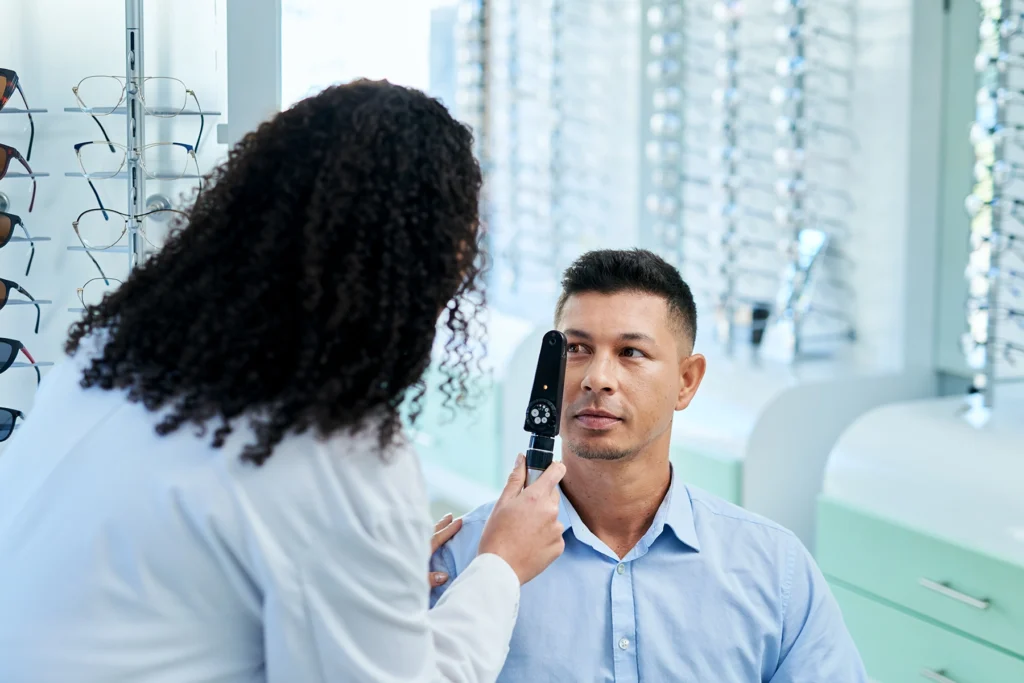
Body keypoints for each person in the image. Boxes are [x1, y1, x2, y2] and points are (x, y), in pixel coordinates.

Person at [0, 80, 567, 683]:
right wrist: (501, 566)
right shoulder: (332, 448)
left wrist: (365, 577)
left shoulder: (109, 355)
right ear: (422, 269)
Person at [431, 249, 868, 682]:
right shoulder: (463, 567)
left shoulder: (775, 569)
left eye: (631, 352)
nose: (597, 378)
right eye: (578, 348)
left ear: (686, 381)